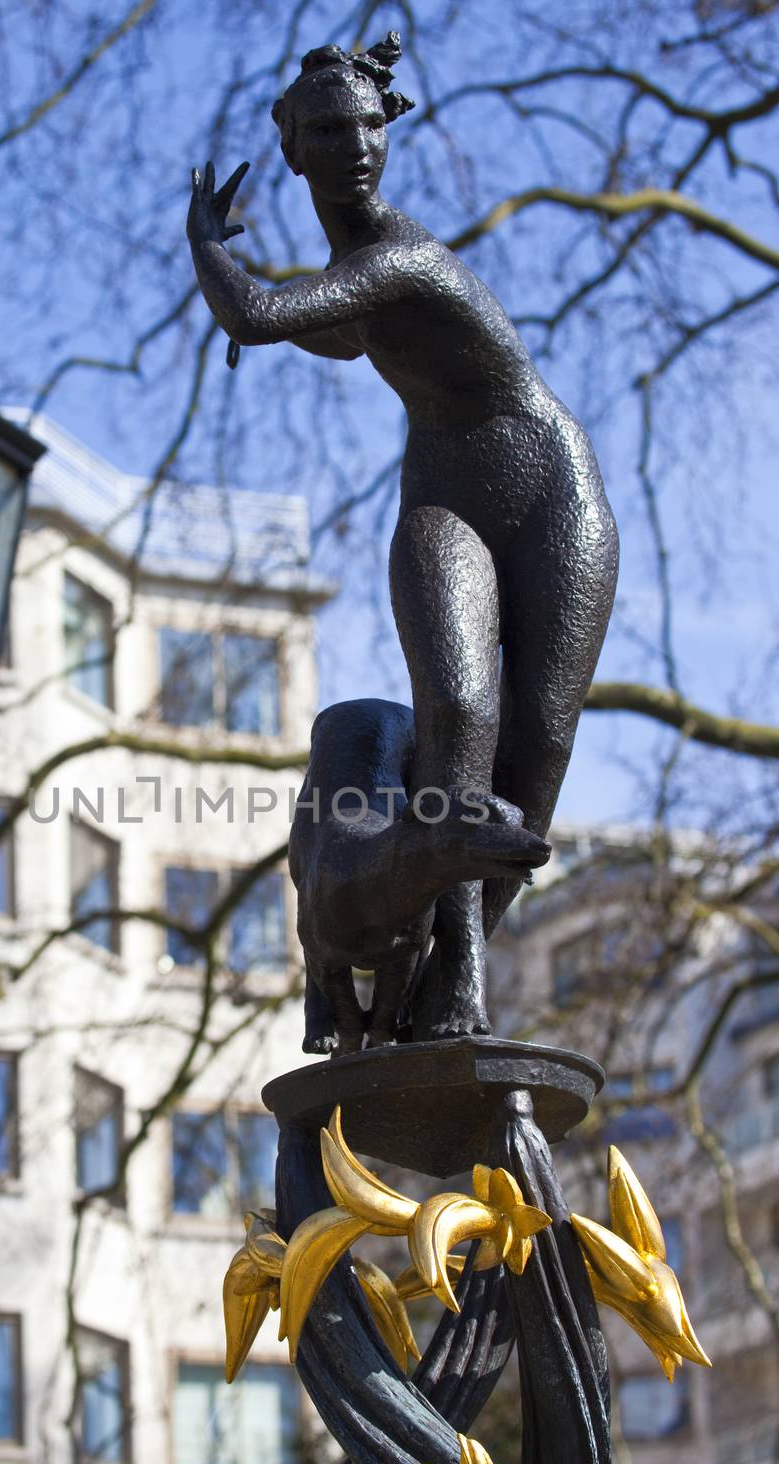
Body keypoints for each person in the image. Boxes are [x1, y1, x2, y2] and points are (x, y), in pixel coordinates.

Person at [187, 34, 618, 1040]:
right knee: (457, 712)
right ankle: (452, 973)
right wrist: (264, 304)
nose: (353, 146)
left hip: (552, 492)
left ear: (391, 132)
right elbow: (328, 327)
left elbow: (258, 313)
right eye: (327, 130)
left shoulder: (402, 255)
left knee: (538, 742)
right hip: (446, 498)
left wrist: (209, 241)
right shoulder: (360, 275)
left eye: (368, 125)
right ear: (291, 149)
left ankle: (442, 987)